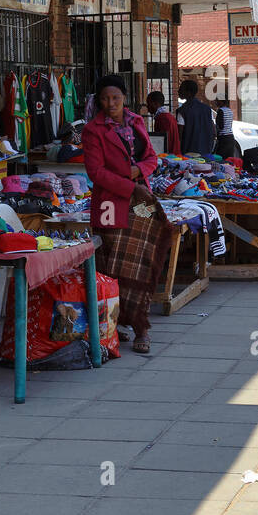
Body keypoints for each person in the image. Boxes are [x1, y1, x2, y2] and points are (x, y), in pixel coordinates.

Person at [82, 75, 174, 354]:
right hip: (112, 202)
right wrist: (131, 185)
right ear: (99, 101)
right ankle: (111, 326)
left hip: (140, 200)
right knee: (111, 265)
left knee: (141, 261)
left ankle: (141, 326)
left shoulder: (135, 122)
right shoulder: (92, 130)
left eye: (116, 98)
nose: (111, 104)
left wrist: (140, 172)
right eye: (105, 99)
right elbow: (95, 172)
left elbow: (151, 157)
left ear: (124, 98)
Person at [177, 79, 217, 156]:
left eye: (181, 89)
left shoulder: (182, 111)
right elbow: (214, 132)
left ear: (188, 92)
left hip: (189, 153)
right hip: (206, 152)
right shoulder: (207, 109)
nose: (178, 91)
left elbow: (180, 135)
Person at [145, 89, 180, 155]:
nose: (147, 106)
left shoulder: (163, 118)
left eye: (149, 103)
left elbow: (163, 142)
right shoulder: (167, 116)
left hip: (169, 157)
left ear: (155, 104)